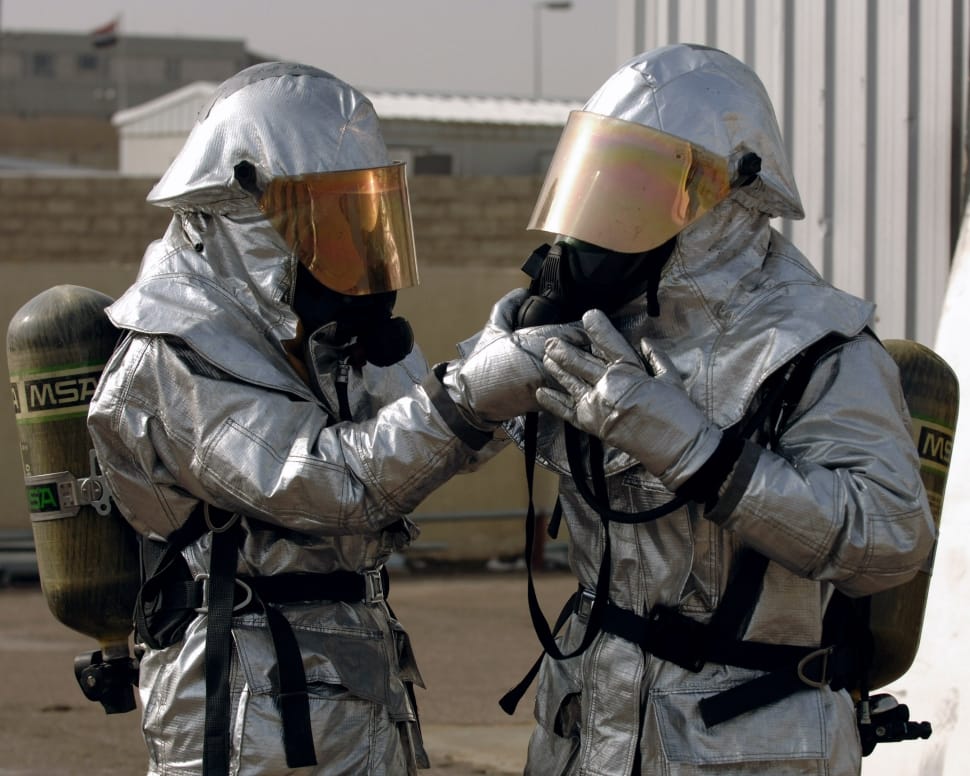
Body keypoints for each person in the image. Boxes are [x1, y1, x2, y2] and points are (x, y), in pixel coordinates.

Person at [86, 62, 567, 776]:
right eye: (324, 221)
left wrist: (513, 349)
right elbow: (334, 483)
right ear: (241, 216)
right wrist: (473, 391)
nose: (353, 251)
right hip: (248, 714)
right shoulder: (172, 354)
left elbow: (428, 443)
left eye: (364, 218)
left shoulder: (322, 337)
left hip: (352, 691)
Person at [491, 44, 936, 774]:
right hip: (592, 729)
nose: (604, 217)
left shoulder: (819, 346)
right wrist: (487, 371)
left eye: (638, 189)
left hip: (742, 741)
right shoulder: (600, 323)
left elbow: (891, 537)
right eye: (602, 183)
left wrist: (703, 455)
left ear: (730, 196)